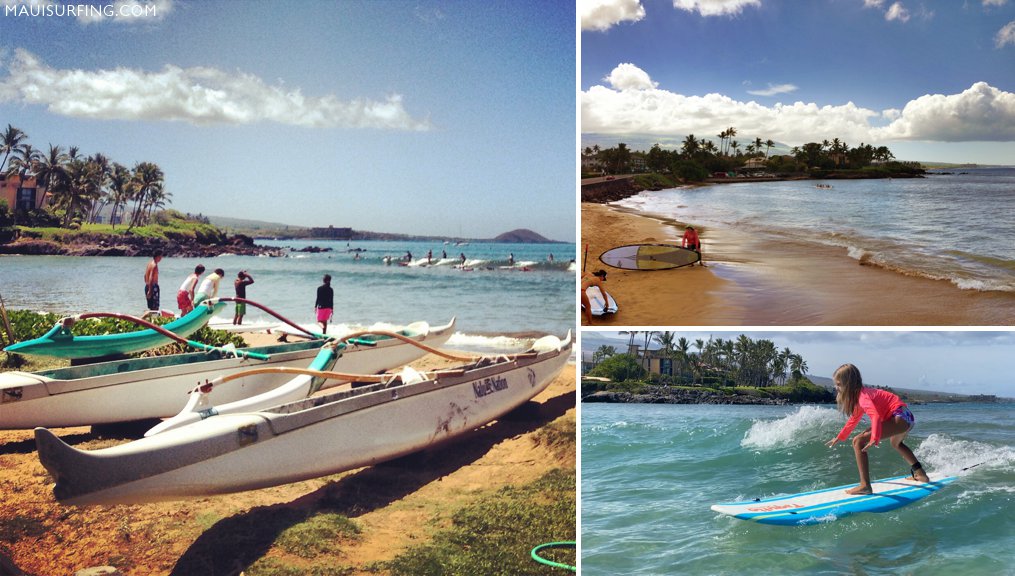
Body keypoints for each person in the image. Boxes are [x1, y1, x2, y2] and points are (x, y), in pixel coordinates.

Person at [825, 363, 931, 495]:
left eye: (839, 384)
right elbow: (854, 419)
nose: (837, 387)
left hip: (900, 417)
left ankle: (865, 485)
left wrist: (875, 436)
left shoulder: (863, 397)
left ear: (849, 383)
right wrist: (840, 437)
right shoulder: (863, 396)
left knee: (858, 441)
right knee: (896, 443)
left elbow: (874, 415)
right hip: (906, 416)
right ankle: (921, 474)